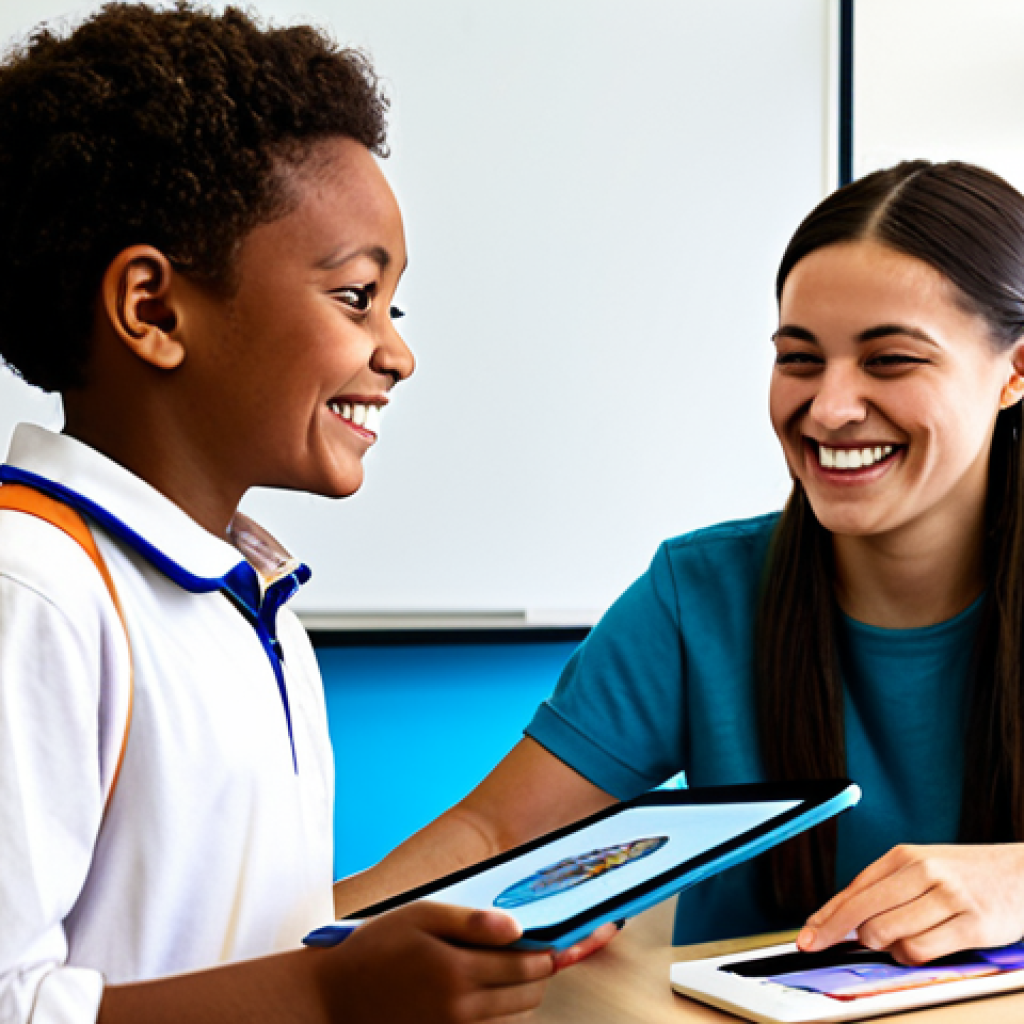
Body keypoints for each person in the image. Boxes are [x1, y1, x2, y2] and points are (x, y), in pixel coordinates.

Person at [0, 5, 596, 1021]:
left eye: (394, 308)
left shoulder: (254, 603)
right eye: (358, 296)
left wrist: (429, 954)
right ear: (152, 308)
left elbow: (245, 955)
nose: (398, 353)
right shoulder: (37, 589)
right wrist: (333, 992)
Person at [336, 160, 1024, 967]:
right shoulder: (700, 596)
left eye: (890, 360)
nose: (831, 408)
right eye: (800, 359)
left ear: (1014, 371)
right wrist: (265, 962)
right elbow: (496, 835)